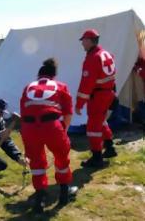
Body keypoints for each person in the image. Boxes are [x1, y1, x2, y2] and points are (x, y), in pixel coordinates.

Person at [20, 59, 78, 213]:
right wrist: (63, 130)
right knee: (61, 158)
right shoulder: (61, 86)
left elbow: (23, 112)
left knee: (37, 163)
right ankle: (64, 194)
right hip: (51, 125)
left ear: (39, 75)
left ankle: (40, 199)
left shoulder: (28, 87)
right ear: (54, 75)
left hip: (29, 127)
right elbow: (68, 113)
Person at [75, 29, 117, 168]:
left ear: (89, 41)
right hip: (108, 93)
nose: (82, 44)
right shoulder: (107, 54)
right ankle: (110, 148)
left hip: (98, 96)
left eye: (83, 41)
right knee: (101, 121)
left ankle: (97, 157)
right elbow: (111, 76)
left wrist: (79, 104)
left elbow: (86, 84)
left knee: (93, 127)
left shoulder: (92, 58)